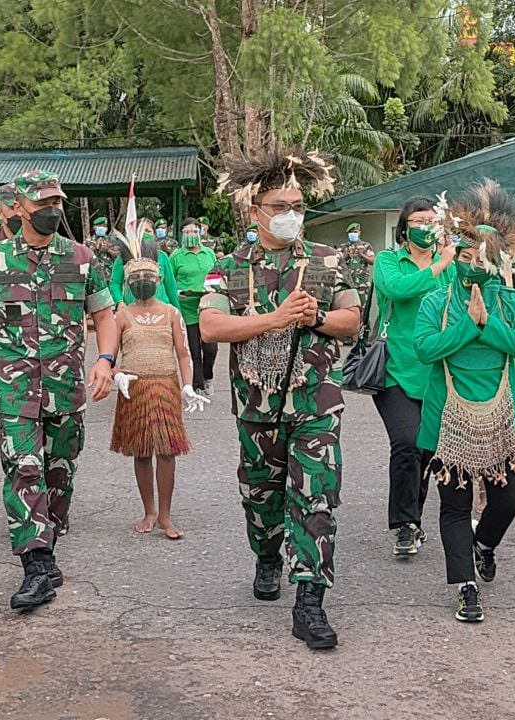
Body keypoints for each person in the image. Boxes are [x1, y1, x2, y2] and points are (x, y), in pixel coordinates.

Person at [199, 148, 360, 650]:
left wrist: (317, 318)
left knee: (316, 497)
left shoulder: (328, 260)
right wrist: (274, 319)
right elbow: (210, 326)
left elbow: (352, 322)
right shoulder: (227, 266)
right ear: (255, 212)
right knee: (262, 498)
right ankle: (267, 557)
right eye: (280, 206)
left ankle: (310, 601)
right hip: (257, 406)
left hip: (316, 403)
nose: (290, 214)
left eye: (297, 206)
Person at [0, 170, 118, 612]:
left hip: (65, 388)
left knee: (59, 474)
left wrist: (105, 360)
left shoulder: (81, 258)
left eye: (56, 202)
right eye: (42, 203)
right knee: (25, 471)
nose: (51, 210)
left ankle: (49, 543)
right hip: (12, 390)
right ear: (19, 208)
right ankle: (36, 566)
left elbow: (105, 315)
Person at [414, 218, 515, 624]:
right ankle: (466, 586)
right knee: (454, 504)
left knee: (510, 498)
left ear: (498, 261)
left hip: (501, 417)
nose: (474, 264)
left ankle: (483, 543)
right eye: (466, 256)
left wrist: (488, 324)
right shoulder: (437, 300)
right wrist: (468, 325)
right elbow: (425, 349)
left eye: (483, 258)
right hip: (448, 416)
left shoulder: (510, 300)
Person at [110, 230, 210, 538]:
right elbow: (108, 355)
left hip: (166, 385)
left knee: (167, 451)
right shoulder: (121, 315)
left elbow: (184, 352)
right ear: (128, 281)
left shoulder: (171, 313)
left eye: (147, 275)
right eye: (136, 276)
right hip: (135, 389)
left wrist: (188, 385)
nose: (142, 280)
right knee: (141, 451)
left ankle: (165, 515)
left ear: (158, 278)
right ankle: (149, 512)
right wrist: (118, 374)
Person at [371, 197, 454, 557]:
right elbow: (397, 290)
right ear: (404, 228)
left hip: (438, 371)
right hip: (395, 370)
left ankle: (414, 516)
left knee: (427, 449)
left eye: (431, 220)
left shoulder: (453, 264)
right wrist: (439, 266)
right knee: (407, 442)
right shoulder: (389, 261)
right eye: (418, 221)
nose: (425, 226)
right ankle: (404, 524)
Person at [169, 217, 219, 395]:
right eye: (187, 231)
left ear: (200, 232)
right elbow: (169, 282)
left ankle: (208, 376)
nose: (191, 234)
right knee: (193, 348)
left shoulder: (209, 253)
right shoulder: (176, 256)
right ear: (182, 235)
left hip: (207, 306)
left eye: (194, 231)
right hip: (187, 307)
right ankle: (197, 385)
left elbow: (216, 276)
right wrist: (178, 294)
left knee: (211, 348)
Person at [110, 218, 181, 308]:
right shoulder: (124, 256)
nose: (144, 234)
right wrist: (119, 302)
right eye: (140, 231)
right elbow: (115, 283)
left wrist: (177, 310)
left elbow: (171, 287)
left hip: (161, 310)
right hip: (132, 309)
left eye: (148, 231)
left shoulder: (162, 256)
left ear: (154, 235)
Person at [342, 222, 375, 308]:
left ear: (359, 233)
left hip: (362, 283)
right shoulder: (344, 247)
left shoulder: (365, 246)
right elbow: (338, 264)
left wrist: (362, 255)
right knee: (349, 308)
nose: (353, 234)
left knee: (363, 308)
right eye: (351, 232)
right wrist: (345, 257)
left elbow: (373, 261)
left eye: (355, 232)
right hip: (348, 284)